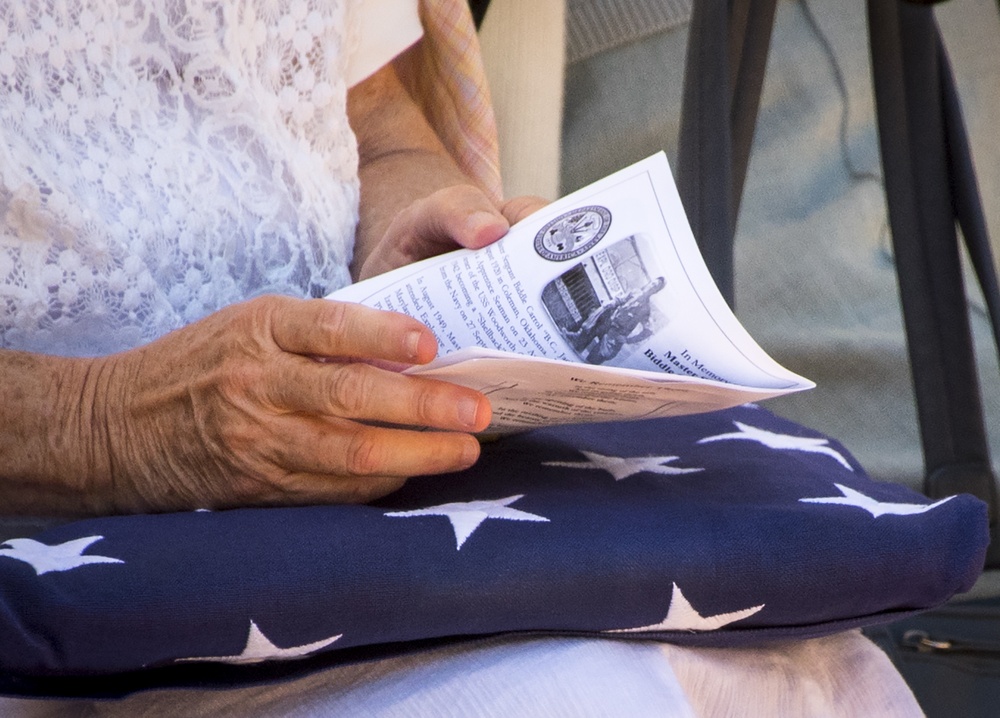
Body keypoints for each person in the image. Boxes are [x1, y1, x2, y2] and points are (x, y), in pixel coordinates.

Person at [0, 0, 546, 518]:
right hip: (45, 553)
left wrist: (422, 264)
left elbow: (378, 129)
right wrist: (106, 426)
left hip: (369, 470)